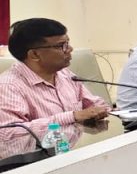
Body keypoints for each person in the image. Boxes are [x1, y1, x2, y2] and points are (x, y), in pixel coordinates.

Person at [0, 18, 110, 154]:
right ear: (34, 54)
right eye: (61, 46)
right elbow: (9, 135)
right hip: (37, 162)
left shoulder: (64, 74)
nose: (70, 49)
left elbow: (94, 105)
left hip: (74, 152)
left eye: (68, 43)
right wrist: (72, 116)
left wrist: (101, 111)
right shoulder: (8, 86)